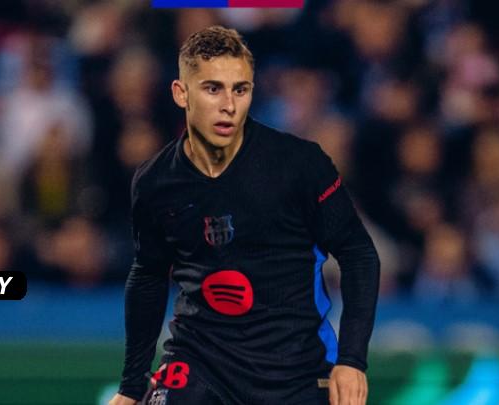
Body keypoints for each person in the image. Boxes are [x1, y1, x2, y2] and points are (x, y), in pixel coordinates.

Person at [109, 26, 380, 405]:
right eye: (213, 89)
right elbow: (149, 275)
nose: (229, 105)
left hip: (292, 368)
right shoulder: (155, 182)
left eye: (240, 89)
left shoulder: (300, 165)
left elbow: (358, 254)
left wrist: (351, 360)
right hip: (199, 359)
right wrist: (131, 386)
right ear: (181, 93)